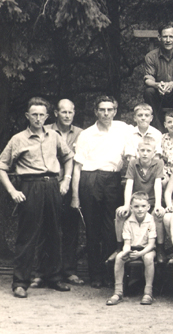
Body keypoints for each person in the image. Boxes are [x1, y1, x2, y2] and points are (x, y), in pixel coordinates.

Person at [0, 97, 74, 298]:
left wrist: (66, 180)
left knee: (54, 232)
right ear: (27, 116)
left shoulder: (55, 136)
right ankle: (20, 282)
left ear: (47, 116)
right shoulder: (18, 139)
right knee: (28, 235)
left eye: (42, 115)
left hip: (52, 186)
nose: (38, 118)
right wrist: (13, 191)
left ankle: (53, 277)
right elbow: (2, 167)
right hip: (29, 186)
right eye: (34, 114)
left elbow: (68, 157)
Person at [72, 95, 130, 288]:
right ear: (96, 112)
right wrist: (75, 195)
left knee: (111, 229)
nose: (106, 113)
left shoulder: (123, 129)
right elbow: (78, 167)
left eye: (110, 110)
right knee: (93, 229)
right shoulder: (86, 134)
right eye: (102, 110)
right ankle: (95, 275)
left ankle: (110, 273)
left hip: (113, 179)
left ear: (115, 111)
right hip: (90, 179)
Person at [45, 99, 84, 286]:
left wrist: (69, 183)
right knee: (47, 228)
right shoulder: (45, 130)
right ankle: (43, 272)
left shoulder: (81, 134)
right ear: (56, 113)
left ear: (74, 113)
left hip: (72, 185)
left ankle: (69, 270)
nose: (67, 115)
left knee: (70, 228)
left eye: (70, 112)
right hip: (49, 183)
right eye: (63, 112)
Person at [113, 137, 166, 264]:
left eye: (148, 150)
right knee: (120, 214)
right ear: (138, 151)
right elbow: (129, 184)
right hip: (136, 202)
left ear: (154, 153)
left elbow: (158, 184)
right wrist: (127, 205)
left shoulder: (158, 163)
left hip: (151, 201)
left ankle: (159, 249)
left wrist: (158, 204)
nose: (145, 153)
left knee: (157, 216)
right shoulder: (133, 163)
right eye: (142, 150)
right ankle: (119, 247)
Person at [106, 192, 157, 306]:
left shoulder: (150, 220)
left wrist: (140, 254)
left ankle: (148, 292)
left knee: (148, 258)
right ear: (131, 207)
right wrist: (126, 251)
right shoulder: (128, 221)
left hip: (147, 249)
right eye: (136, 206)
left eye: (143, 206)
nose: (140, 209)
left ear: (148, 207)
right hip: (132, 248)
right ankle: (118, 292)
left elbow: (151, 244)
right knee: (119, 257)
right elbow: (127, 242)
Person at [143, 22, 173, 130]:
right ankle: (158, 130)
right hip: (159, 93)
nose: (168, 40)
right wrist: (157, 85)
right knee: (148, 91)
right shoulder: (151, 56)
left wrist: (172, 84)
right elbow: (148, 79)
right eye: (165, 37)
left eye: (171, 36)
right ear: (159, 38)